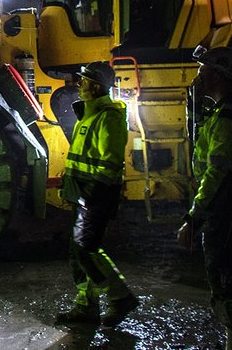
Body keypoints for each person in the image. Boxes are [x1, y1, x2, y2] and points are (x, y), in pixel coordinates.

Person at [177, 47, 232, 348]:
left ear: (218, 74)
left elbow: (218, 174)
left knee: (230, 291)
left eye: (203, 70)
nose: (198, 75)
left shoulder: (229, 116)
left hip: (231, 209)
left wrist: (193, 217)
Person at [57, 61, 138, 327]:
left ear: (97, 85)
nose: (79, 84)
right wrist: (69, 186)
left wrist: (91, 194)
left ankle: (120, 297)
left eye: (85, 80)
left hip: (95, 196)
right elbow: (82, 159)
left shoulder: (109, 116)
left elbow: (110, 162)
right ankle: (86, 306)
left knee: (86, 249)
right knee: (77, 252)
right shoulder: (89, 114)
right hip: (83, 195)